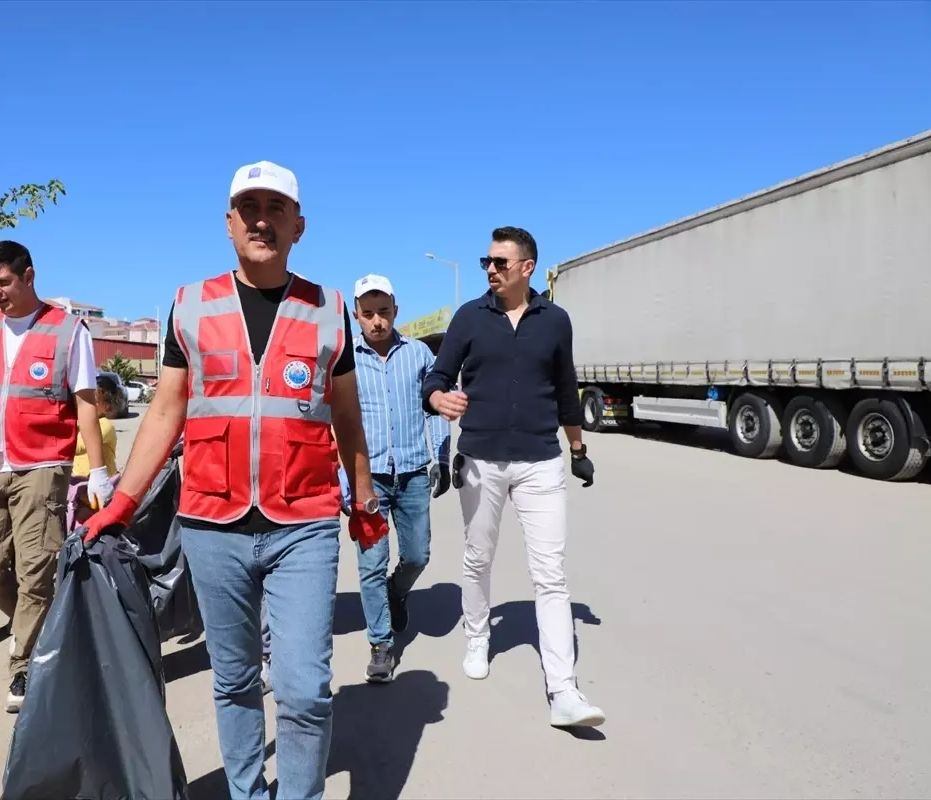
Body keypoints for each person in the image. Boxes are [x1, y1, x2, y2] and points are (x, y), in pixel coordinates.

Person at [81, 160, 386, 800]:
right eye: (249, 207)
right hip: (211, 521)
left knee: (304, 686)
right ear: (228, 223)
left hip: (303, 520)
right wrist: (122, 502)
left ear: (297, 226)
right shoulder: (189, 306)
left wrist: (362, 497)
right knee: (235, 679)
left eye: (276, 208)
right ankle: (249, 793)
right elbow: (165, 410)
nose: (261, 219)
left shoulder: (329, 309)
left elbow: (347, 416)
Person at [421, 225, 605, 729]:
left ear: (528, 267)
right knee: (478, 558)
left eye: (501, 262)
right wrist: (438, 397)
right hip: (480, 460)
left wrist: (578, 448)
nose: (491, 269)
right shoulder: (469, 317)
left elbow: (566, 388)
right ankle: (478, 637)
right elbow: (437, 377)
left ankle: (563, 690)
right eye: (487, 261)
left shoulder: (556, 321)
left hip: (540, 462)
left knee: (551, 573)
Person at [0, 240, 114, 713]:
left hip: (42, 466)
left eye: (4, 282)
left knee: (36, 569)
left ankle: (25, 663)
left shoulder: (66, 330)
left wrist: (98, 471)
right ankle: (46, 628)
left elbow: (84, 403)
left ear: (29, 275)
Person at [343, 273, 451, 683]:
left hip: (412, 474)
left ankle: (398, 591)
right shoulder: (346, 360)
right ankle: (381, 644)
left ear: (395, 311)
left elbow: (434, 405)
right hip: (367, 480)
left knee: (418, 555)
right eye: (368, 313)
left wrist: (441, 454)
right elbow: (337, 422)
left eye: (383, 312)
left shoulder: (420, 354)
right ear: (356, 315)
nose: (377, 321)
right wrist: (343, 479)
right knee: (372, 563)